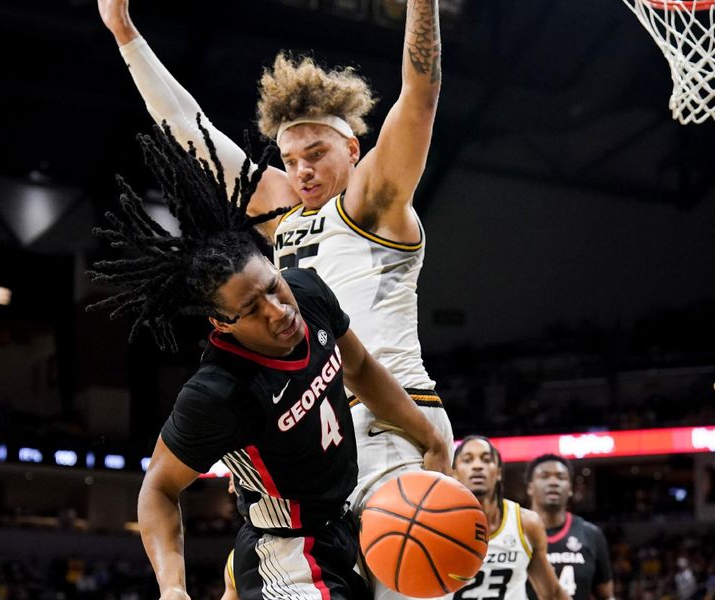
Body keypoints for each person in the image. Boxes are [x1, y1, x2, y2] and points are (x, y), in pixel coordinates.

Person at [97, 6, 454, 588]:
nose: (303, 170)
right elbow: (190, 132)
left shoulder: (373, 203)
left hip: (394, 424)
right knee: (251, 577)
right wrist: (127, 36)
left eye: (316, 153)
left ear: (353, 148)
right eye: (290, 159)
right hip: (311, 435)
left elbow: (420, 94)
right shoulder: (280, 214)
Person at [449, 437, 570, 600]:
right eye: (468, 460)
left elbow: (552, 594)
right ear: (454, 473)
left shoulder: (526, 523)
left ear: (498, 472)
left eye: (486, 459)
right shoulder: (434, 524)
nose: (477, 466)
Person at [524, 454, 614, 600]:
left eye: (561, 477)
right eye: (544, 476)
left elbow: (606, 596)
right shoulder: (514, 532)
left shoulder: (591, 534)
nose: (553, 482)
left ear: (570, 489)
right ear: (530, 487)